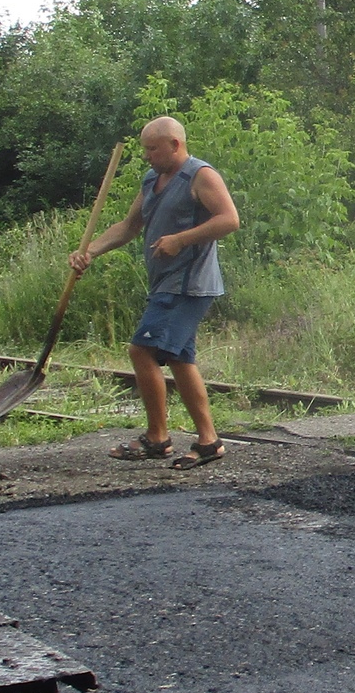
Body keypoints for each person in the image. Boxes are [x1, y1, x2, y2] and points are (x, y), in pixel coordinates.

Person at [73, 116, 242, 470]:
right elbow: (130, 226)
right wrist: (91, 251)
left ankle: (157, 437)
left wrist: (181, 240)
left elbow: (229, 219)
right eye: (144, 148)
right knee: (179, 358)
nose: (147, 155)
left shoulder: (200, 175)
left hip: (189, 284)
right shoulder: (152, 180)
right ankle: (208, 441)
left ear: (175, 145)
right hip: (164, 283)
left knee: (142, 350)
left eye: (152, 148)